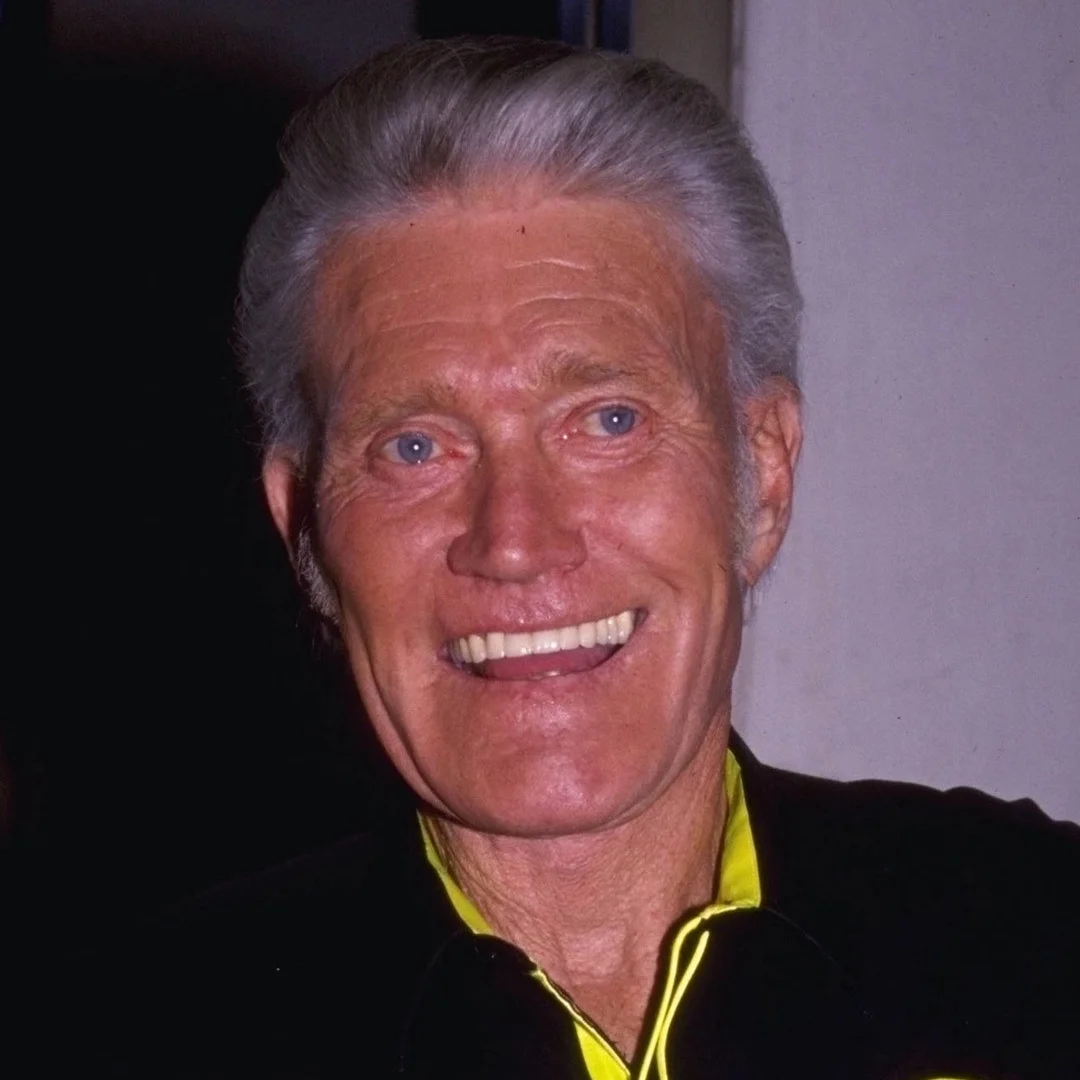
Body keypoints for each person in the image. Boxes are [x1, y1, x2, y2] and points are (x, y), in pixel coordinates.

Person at [65, 37, 1077, 1079]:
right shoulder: (134, 1032)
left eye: (606, 421)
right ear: (305, 532)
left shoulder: (1036, 940)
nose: (514, 540)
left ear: (760, 474)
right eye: (415, 447)